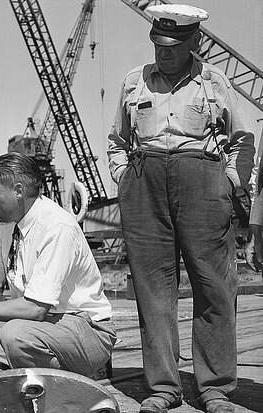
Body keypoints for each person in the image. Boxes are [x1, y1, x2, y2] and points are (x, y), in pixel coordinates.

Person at [107, 4, 255, 413]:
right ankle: (164, 387)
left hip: (203, 182)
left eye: (173, 45)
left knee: (214, 285)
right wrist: (124, 177)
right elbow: (117, 141)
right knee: (153, 288)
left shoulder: (215, 81)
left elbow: (243, 139)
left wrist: (229, 181)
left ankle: (215, 389)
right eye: (158, 44)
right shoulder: (134, 82)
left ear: (194, 42)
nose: (164, 52)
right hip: (144, 183)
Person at [0, 152, 115, 383]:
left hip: (83, 328)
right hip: (37, 330)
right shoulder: (8, 225)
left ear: (18, 190)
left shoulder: (56, 227)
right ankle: (23, 393)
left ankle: (64, 392)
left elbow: (34, 309)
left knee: (15, 335)